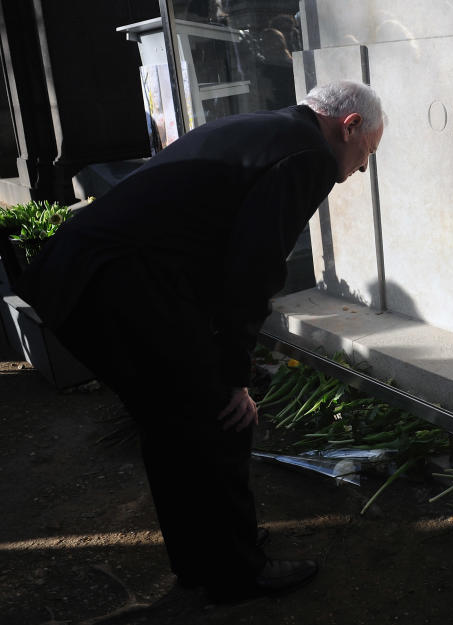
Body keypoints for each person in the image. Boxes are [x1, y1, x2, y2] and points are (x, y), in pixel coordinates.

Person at [15, 80, 385, 602]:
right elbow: (253, 269)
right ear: (347, 127)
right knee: (218, 418)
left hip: (83, 275)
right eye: (366, 154)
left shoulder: (266, 128)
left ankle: (205, 558)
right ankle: (234, 572)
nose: (360, 170)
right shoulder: (308, 155)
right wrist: (234, 376)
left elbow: (210, 244)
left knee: (173, 427)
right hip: (119, 285)